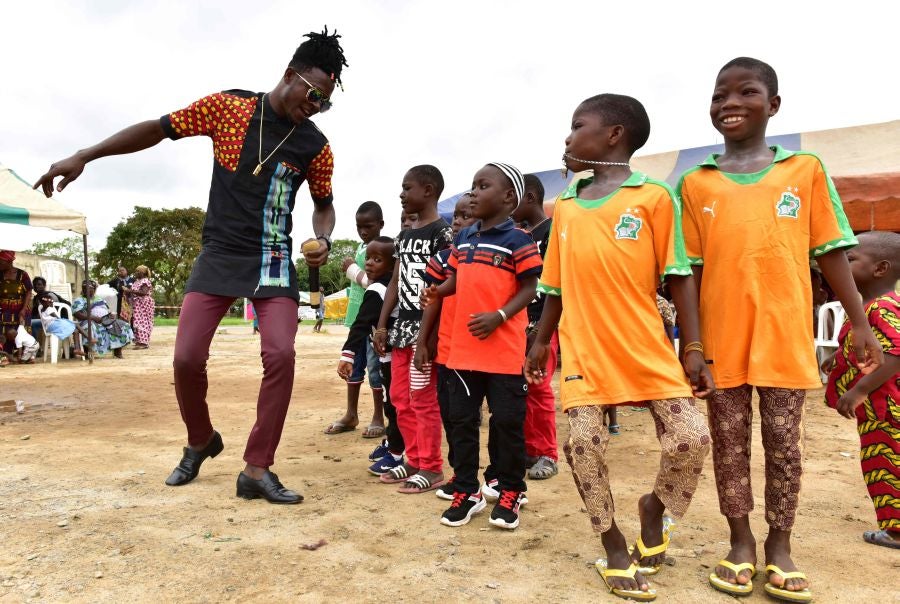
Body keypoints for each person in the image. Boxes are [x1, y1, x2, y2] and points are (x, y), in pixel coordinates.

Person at [35, 28, 348, 504]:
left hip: (272, 259)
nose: (317, 105)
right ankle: (200, 440)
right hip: (220, 253)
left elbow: (324, 205)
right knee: (185, 359)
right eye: (314, 94)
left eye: (326, 102)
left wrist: (322, 237)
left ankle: (257, 469)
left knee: (281, 355)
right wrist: (85, 155)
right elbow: (157, 129)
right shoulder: (230, 109)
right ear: (290, 75)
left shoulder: (315, 146)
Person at [678, 57, 883, 601]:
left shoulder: (804, 170)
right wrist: (691, 344)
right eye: (720, 94)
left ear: (773, 106)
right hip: (722, 343)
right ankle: (740, 543)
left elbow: (832, 252)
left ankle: (781, 547)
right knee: (728, 446)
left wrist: (860, 323)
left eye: (746, 92)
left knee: (785, 446)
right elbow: (689, 273)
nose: (730, 104)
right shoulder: (695, 185)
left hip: (784, 336)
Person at [525, 93, 714, 601]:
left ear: (613, 135)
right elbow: (555, 285)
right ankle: (611, 543)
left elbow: (678, 278)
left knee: (691, 438)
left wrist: (692, 346)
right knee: (584, 445)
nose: (567, 137)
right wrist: (541, 341)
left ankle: (654, 506)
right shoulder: (565, 205)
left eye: (577, 126)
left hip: (646, 344)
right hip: (585, 349)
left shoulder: (653, 197)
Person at [419, 163, 542, 529]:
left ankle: (510, 490)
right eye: (472, 185)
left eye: (482, 185)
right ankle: (466, 490)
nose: (473, 192)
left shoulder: (519, 240)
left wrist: (500, 316)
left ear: (508, 198)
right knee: (461, 421)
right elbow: (456, 279)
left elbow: (530, 288)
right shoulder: (464, 238)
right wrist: (438, 290)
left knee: (507, 422)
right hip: (462, 352)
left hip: (503, 352)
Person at [373, 165, 453, 494]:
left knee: (423, 399)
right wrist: (381, 323)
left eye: (407, 188)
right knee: (399, 398)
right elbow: (395, 280)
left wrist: (429, 338)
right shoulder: (405, 235)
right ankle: (414, 457)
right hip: (402, 328)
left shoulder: (442, 234)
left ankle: (432, 466)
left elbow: (445, 288)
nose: (402, 195)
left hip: (425, 329)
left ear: (429, 190)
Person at [825, 231, 900, 550]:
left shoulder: (882, 307)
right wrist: (836, 357)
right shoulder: (867, 307)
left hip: (884, 411)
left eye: (850, 260)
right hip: (879, 411)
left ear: (880, 269)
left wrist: (858, 392)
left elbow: (895, 354)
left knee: (883, 465)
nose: (842, 266)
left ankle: (895, 530)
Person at [420, 193, 477, 500]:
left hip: (478, 349)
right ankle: (459, 473)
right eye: (456, 215)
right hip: (447, 348)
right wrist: (424, 343)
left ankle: (492, 476)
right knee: (451, 413)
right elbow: (432, 303)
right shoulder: (441, 259)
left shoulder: (484, 254)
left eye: (466, 216)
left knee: (474, 418)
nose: (457, 221)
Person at [334, 236, 402, 473]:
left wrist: (348, 354)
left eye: (377, 259)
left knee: (393, 404)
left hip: (391, 357)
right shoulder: (395, 286)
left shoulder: (377, 289)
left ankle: (397, 451)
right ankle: (394, 442)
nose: (370, 264)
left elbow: (361, 323)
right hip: (396, 355)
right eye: (368, 259)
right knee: (394, 402)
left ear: (392, 266)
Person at [512, 173, 562, 478]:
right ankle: (530, 450)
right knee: (522, 388)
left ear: (529, 197)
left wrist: (542, 330)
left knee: (539, 386)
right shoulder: (522, 236)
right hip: (519, 324)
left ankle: (547, 453)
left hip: (545, 324)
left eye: (513, 197)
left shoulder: (554, 232)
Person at [326, 201, 386, 436]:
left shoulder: (381, 249)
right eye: (359, 226)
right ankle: (351, 414)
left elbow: (375, 283)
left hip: (372, 320)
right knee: (354, 365)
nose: (363, 231)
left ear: (380, 224)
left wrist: (352, 269)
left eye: (368, 226)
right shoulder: (363, 247)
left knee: (375, 369)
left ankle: (378, 416)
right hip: (356, 320)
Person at [73, 279, 134, 358]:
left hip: (105, 320)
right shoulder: (79, 300)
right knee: (90, 326)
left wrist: (110, 315)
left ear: (94, 289)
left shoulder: (99, 298)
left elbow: (106, 309)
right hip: (88, 321)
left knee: (123, 325)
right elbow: (77, 314)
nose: (86, 290)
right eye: (84, 288)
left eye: (89, 288)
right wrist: (93, 317)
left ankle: (117, 351)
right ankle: (88, 352)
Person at [1, 250, 33, 358]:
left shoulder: (22, 275)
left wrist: (23, 309)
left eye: (1, 262)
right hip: (4, 307)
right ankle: (6, 354)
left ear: (9, 262)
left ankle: (25, 354)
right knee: (4, 331)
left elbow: (29, 292)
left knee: (21, 330)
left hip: (20, 306)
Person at [30, 276, 71, 341]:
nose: (36, 286)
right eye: (34, 285)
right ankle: (34, 345)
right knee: (28, 322)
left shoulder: (49, 296)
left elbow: (55, 312)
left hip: (54, 321)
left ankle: (34, 345)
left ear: (44, 285)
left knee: (31, 323)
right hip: (46, 320)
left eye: (39, 284)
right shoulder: (37, 298)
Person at [125, 265, 155, 349]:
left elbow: (144, 292)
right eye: (136, 271)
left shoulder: (145, 281)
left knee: (143, 321)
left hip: (144, 303)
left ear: (143, 273)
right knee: (137, 321)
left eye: (138, 271)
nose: (136, 273)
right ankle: (139, 341)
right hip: (137, 304)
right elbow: (135, 292)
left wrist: (130, 291)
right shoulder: (137, 281)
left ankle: (144, 343)